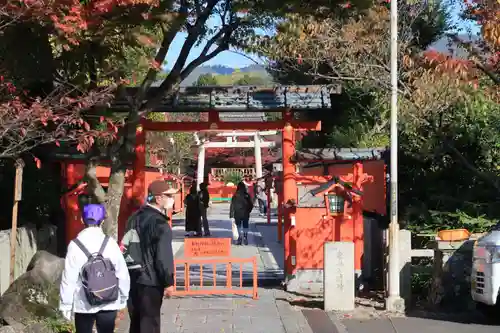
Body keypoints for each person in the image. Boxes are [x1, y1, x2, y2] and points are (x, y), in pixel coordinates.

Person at [59, 203, 130, 333]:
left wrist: (66, 305)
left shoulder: (75, 245)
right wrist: (123, 298)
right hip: (108, 300)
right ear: (102, 221)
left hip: (83, 303)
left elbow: (69, 278)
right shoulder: (110, 243)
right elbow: (122, 273)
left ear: (82, 220)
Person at [121, 180, 176, 333]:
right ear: (158, 198)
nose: (172, 199)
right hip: (151, 280)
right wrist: (168, 281)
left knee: (136, 322)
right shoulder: (160, 224)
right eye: (169, 196)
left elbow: (125, 245)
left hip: (132, 276)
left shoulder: (134, 218)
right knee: (150, 324)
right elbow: (163, 256)